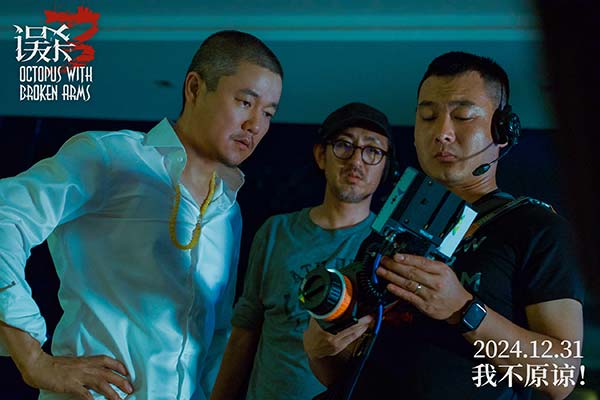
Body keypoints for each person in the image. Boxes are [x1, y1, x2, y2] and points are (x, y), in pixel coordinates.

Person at [0, 30, 282, 400]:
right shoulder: (112, 157)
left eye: (268, 113)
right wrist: (34, 360)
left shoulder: (228, 208)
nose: (255, 125)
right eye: (245, 102)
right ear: (195, 88)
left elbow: (216, 336)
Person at [303, 51, 584, 400]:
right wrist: (321, 348)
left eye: (462, 116)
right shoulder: (388, 235)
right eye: (428, 117)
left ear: (503, 130)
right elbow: (342, 375)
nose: (442, 133)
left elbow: (560, 376)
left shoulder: (537, 228)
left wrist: (463, 310)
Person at [210, 103, 395, 400]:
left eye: (372, 151)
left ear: (385, 167)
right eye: (344, 145)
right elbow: (244, 331)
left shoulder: (389, 249)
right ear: (321, 155)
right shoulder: (276, 232)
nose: (356, 160)